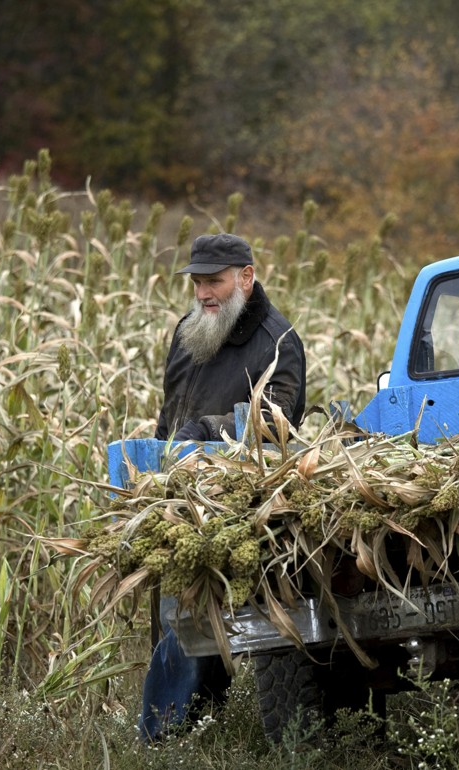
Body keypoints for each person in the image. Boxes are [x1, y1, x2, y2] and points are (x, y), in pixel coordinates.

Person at [139, 232, 307, 741]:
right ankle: (192, 733)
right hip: (177, 500)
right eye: (197, 282)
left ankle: (163, 739)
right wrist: (156, 464)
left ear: (246, 278)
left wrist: (208, 432)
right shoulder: (189, 331)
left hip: (235, 506)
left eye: (213, 281)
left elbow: (277, 422)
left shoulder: (278, 342)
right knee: (176, 620)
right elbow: (171, 415)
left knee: (192, 620)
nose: (203, 292)